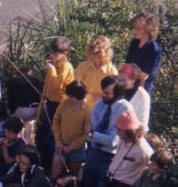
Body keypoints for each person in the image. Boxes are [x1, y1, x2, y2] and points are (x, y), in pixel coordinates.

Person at [34, 36, 74, 171]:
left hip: (60, 105)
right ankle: (42, 163)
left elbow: (56, 86)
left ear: (64, 53)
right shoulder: (55, 64)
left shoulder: (65, 66)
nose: (52, 55)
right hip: (50, 103)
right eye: (51, 52)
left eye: (55, 53)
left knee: (49, 136)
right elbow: (47, 87)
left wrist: (51, 70)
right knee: (40, 134)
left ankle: (51, 167)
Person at [75, 34, 117, 106]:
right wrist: (93, 96)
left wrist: (89, 97)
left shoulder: (112, 71)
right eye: (94, 53)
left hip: (102, 109)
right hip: (81, 106)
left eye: (100, 54)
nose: (96, 56)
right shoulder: (82, 67)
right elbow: (76, 88)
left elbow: (110, 95)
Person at [125, 10, 162, 92]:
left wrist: (130, 71)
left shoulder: (154, 48)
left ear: (148, 30)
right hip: (127, 86)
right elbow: (127, 65)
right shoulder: (134, 43)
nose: (134, 31)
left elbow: (145, 75)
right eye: (135, 27)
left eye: (138, 28)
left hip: (142, 90)